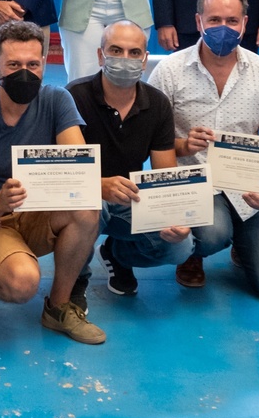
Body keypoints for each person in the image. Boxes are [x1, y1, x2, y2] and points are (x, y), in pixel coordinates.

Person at [0, 21, 106, 344]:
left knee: (88, 207)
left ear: (43, 64)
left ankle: (58, 307)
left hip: (38, 210)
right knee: (22, 284)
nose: (24, 73)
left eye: (32, 64)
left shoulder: (56, 100)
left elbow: (77, 166)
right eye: (13, 65)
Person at [149, 0, 259, 298]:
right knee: (214, 232)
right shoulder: (169, 72)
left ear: (244, 23)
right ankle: (192, 254)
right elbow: (152, 143)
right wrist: (184, 144)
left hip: (247, 186)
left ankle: (243, 240)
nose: (223, 28)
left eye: (231, 20)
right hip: (193, 181)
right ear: (198, 21)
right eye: (214, 20)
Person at [67, 21, 194, 298]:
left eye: (134, 52)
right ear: (100, 55)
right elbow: (64, 174)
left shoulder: (157, 104)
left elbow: (164, 177)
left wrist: (173, 218)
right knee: (89, 209)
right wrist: (99, 186)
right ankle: (75, 280)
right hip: (83, 197)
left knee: (180, 247)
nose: (125, 59)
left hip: (130, 198)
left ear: (145, 60)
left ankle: (117, 254)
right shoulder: (74, 96)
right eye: (116, 50)